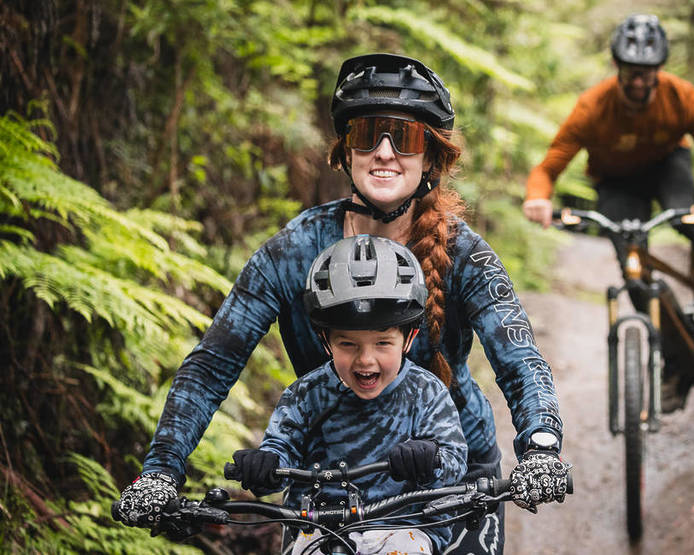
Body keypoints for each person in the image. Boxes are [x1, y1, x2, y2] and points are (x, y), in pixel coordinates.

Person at [113, 53, 568, 555]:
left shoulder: (465, 254)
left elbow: (520, 359)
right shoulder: (293, 251)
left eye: (406, 137)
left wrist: (541, 446)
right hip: (326, 479)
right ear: (345, 152)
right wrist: (160, 471)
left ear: (431, 158)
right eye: (368, 134)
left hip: (449, 477)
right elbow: (212, 363)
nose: (385, 152)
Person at [522, 13, 694, 410]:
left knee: (693, 222)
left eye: (647, 73)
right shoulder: (593, 106)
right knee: (635, 277)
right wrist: (538, 198)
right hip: (615, 184)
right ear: (617, 67)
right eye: (632, 72)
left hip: (669, 168)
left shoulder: (681, 97)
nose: (638, 81)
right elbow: (548, 168)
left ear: (659, 71)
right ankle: (676, 361)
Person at [232, 234, 467, 554]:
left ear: (408, 339)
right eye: (348, 344)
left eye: (383, 343)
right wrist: (264, 466)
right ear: (325, 341)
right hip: (318, 529)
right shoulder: (305, 396)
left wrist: (429, 456)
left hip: (402, 531)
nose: (366, 360)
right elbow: (280, 452)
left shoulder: (426, 393)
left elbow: (454, 461)